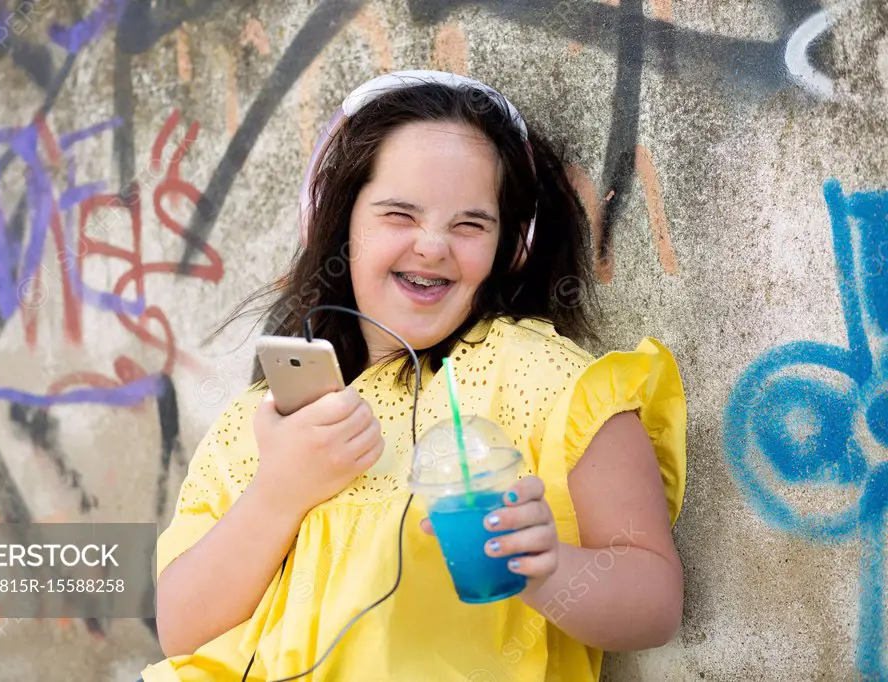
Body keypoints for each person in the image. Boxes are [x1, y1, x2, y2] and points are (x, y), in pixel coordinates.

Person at [140, 70, 687, 682]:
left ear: (512, 246)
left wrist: (548, 568)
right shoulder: (266, 419)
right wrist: (280, 492)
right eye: (399, 214)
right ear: (339, 220)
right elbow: (181, 629)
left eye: (470, 225)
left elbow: (656, 604)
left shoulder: (544, 379)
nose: (432, 246)